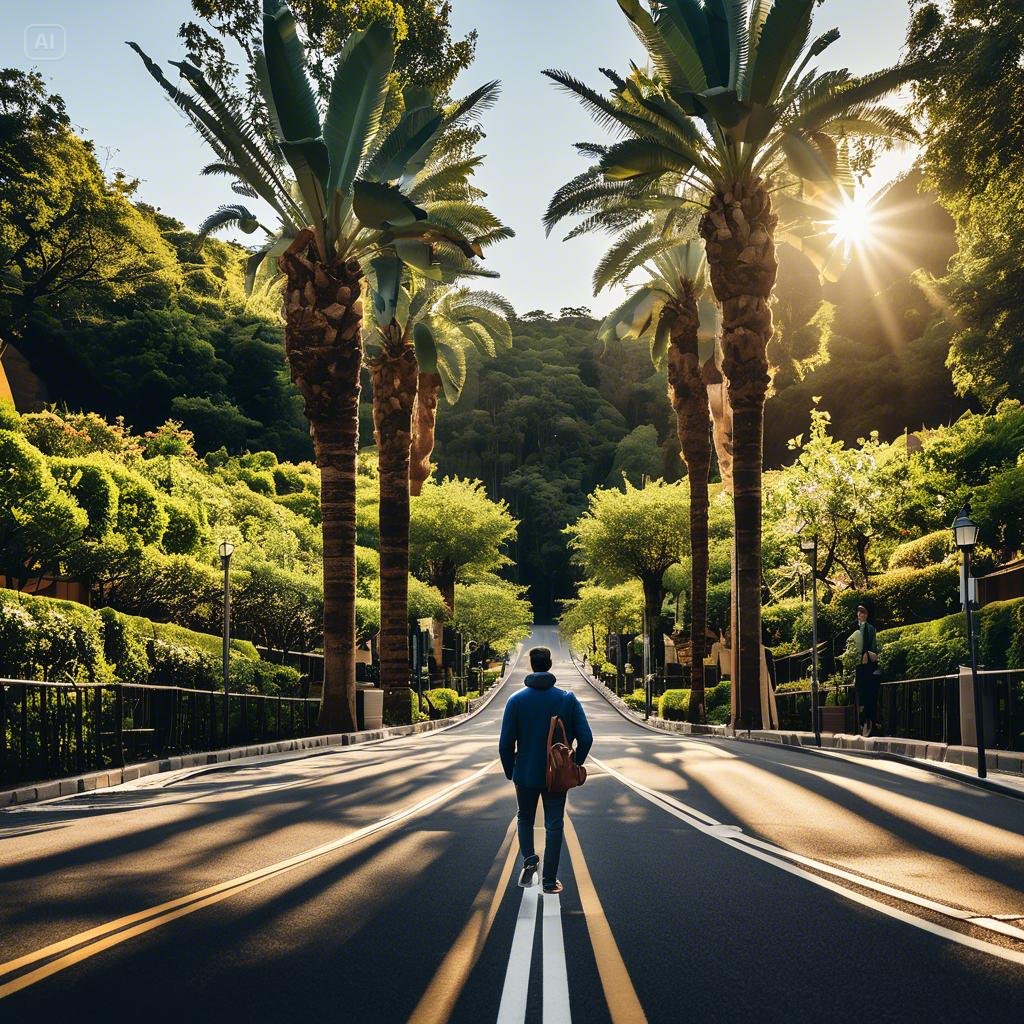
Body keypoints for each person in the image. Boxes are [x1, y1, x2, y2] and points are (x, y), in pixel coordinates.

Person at [498, 646, 593, 895]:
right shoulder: (567, 699)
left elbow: (505, 744)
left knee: (525, 818)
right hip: (557, 775)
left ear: (531, 665)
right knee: (554, 824)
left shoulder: (516, 700)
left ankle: (529, 860)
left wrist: (512, 771)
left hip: (525, 773)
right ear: (549, 664)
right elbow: (586, 737)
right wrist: (573, 764)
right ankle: (549, 881)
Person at [851, 603, 880, 736]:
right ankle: (861, 722)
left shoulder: (871, 629)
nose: (860, 615)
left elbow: (873, 646)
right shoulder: (853, 627)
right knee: (859, 692)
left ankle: (867, 722)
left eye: (862, 613)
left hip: (867, 665)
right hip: (858, 665)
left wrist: (867, 654)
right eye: (859, 612)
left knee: (867, 693)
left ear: (866, 615)